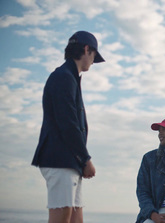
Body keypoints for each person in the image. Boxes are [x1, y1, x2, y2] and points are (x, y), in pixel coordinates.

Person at [31, 30, 105, 223]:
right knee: (62, 218)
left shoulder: (69, 77)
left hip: (68, 161)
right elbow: (68, 123)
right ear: (87, 49)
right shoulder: (64, 77)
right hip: (60, 160)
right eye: (94, 56)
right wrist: (85, 158)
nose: (92, 62)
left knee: (75, 218)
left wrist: (80, 161)